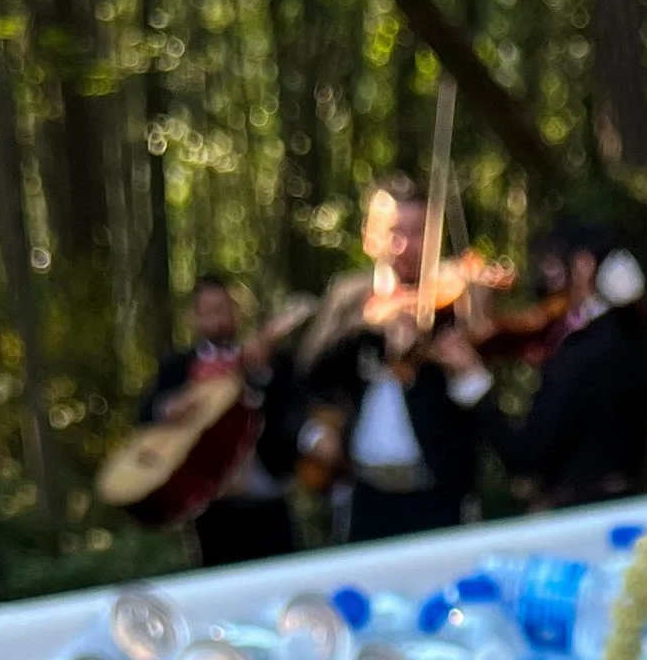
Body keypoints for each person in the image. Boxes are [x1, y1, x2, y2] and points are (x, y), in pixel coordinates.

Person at [294, 175, 491, 541]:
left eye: (418, 233)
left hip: (436, 492)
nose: (404, 246)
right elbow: (310, 372)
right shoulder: (349, 298)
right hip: (365, 493)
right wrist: (371, 328)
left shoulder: (450, 304)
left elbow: (479, 382)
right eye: (393, 233)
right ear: (371, 237)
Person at [477, 219, 647, 509]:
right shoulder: (625, 334)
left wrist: (474, 383)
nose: (547, 279)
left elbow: (526, 455)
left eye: (553, 266)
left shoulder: (584, 351)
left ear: (583, 266)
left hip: (580, 509)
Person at [140, 273, 303, 567]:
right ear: (195, 317)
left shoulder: (271, 360)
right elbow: (147, 420)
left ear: (236, 311)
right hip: (213, 509)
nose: (216, 319)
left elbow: (291, 411)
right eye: (207, 311)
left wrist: (262, 372)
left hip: (268, 501)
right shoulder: (177, 369)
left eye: (223, 309)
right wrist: (170, 408)